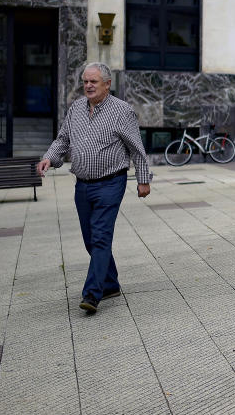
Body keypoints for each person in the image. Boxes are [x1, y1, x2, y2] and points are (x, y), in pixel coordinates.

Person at [37, 62, 152, 314]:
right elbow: (63, 139)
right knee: (91, 240)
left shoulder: (122, 111)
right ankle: (110, 283)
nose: (88, 86)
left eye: (93, 82)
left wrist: (143, 179)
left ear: (107, 84)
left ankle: (92, 293)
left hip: (111, 182)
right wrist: (49, 157)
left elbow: (136, 147)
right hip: (82, 185)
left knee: (100, 237)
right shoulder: (76, 108)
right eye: (85, 81)